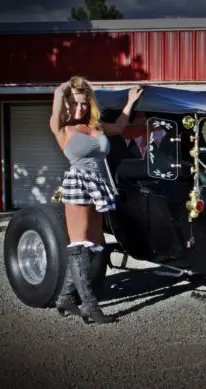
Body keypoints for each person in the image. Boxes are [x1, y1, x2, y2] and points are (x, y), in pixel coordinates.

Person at [49, 76, 143, 324]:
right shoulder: (62, 127)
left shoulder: (97, 126)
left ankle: (65, 298)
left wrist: (130, 101)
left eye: (83, 103)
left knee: (95, 247)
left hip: (99, 185)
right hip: (78, 183)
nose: (78, 108)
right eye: (74, 104)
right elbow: (59, 95)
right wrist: (67, 89)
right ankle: (90, 306)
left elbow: (121, 127)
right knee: (80, 246)